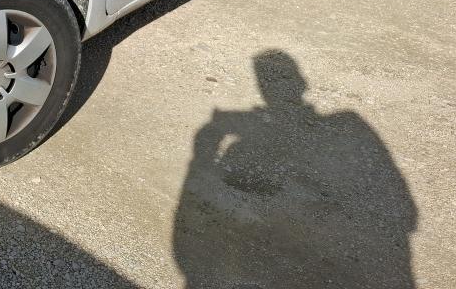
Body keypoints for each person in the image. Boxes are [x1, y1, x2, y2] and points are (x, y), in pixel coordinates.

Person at [173, 50, 417, 288]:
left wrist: (205, 151)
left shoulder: (349, 124)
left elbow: (405, 212)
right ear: (302, 82)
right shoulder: (350, 124)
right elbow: (407, 212)